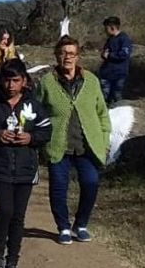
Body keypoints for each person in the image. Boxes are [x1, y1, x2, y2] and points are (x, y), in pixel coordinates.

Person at [0, 58, 52, 268]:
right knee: (5, 210)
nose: (10, 85)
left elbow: (46, 130)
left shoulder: (34, 105)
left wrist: (31, 137)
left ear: (24, 82)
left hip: (26, 168)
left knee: (18, 216)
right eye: (6, 80)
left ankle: (13, 262)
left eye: (15, 80)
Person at [36, 36, 110, 245]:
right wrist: (40, 139)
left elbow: (102, 113)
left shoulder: (92, 81)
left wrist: (104, 140)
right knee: (58, 187)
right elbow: (37, 112)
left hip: (88, 144)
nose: (67, 57)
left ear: (78, 56)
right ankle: (63, 227)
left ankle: (81, 224)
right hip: (58, 145)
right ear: (56, 56)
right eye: (63, 53)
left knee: (90, 183)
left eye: (71, 53)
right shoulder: (47, 82)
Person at [98, 16, 133, 104]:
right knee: (104, 98)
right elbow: (105, 52)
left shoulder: (124, 39)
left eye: (106, 28)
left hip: (119, 74)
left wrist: (110, 55)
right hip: (106, 73)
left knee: (117, 97)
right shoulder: (109, 40)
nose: (105, 31)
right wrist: (103, 54)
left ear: (112, 27)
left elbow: (124, 54)